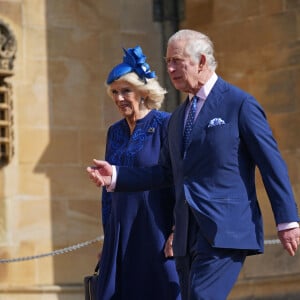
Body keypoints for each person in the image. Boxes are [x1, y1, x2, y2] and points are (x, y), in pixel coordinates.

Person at [87, 30, 300, 300]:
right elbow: (164, 172)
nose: (170, 69)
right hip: (188, 237)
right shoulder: (178, 117)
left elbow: (272, 164)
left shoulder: (239, 104)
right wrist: (116, 176)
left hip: (224, 229)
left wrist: (288, 220)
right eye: (168, 62)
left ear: (201, 61)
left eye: (177, 61)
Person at [91, 45, 181, 300]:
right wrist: (109, 238)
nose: (119, 98)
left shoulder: (166, 123)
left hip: (156, 227)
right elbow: (108, 192)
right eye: (115, 92)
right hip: (122, 229)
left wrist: (177, 230)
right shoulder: (114, 132)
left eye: (126, 91)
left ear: (143, 92)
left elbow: (178, 179)